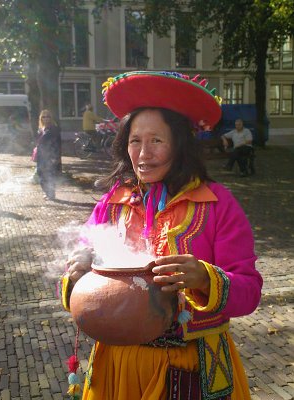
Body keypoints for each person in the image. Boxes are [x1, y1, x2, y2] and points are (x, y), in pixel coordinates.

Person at [60, 71, 262, 399]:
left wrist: (205, 278)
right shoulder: (113, 203)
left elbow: (250, 291)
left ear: (180, 144)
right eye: (135, 141)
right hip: (118, 368)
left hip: (191, 367)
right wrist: (77, 272)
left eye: (156, 140)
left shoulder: (217, 204)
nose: (143, 154)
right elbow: (70, 282)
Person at [35, 109, 61, 200]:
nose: (46, 118)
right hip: (41, 156)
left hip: (50, 156)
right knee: (40, 174)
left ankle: (51, 194)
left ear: (51, 118)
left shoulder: (54, 129)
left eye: (48, 116)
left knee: (49, 176)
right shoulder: (41, 129)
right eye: (43, 116)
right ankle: (47, 192)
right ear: (41, 118)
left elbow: (57, 143)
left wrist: (55, 157)